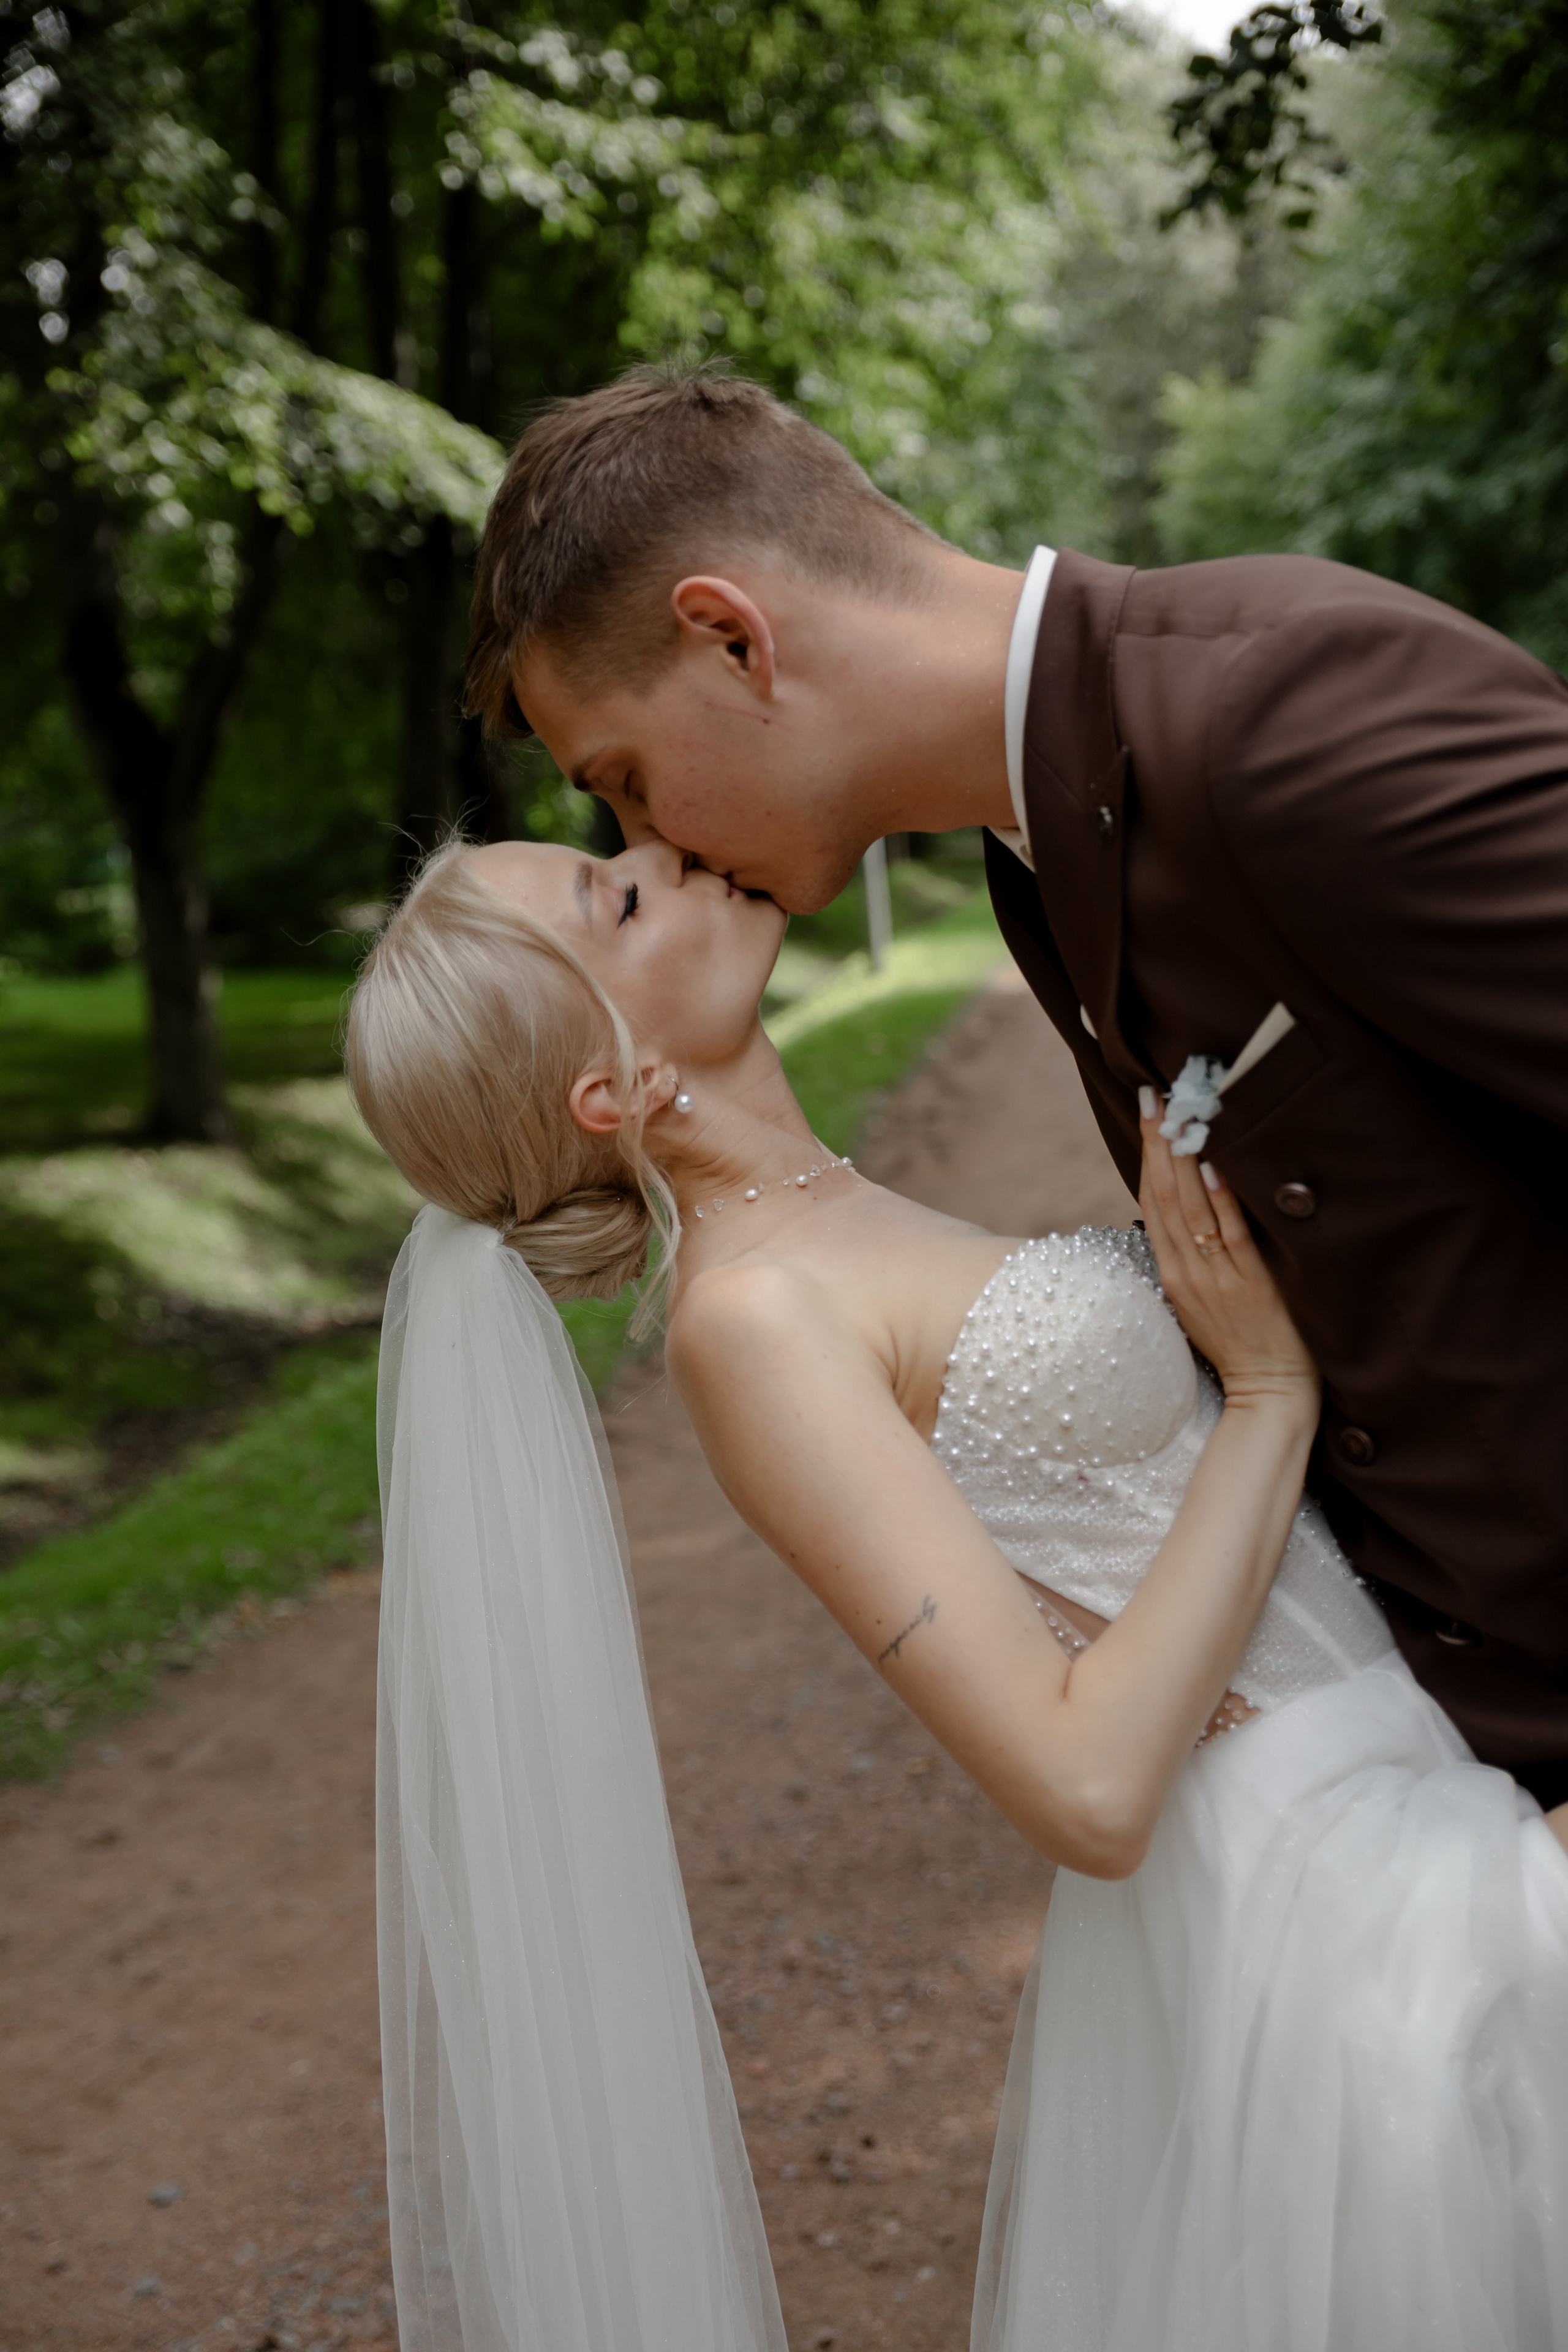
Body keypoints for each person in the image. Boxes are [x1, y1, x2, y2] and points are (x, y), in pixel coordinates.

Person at [347, 834, 1568, 2352]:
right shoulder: (750, 1325)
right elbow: (1084, 1785)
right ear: (614, 1087)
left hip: (1414, 1761)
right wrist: (1261, 1389)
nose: (659, 848)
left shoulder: (831, 1215)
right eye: (618, 894)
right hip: (1326, 1878)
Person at [463, 362, 1568, 1817]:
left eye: (624, 776)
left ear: (732, 640)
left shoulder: (1275, 712)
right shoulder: (1034, 861)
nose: (648, 839)